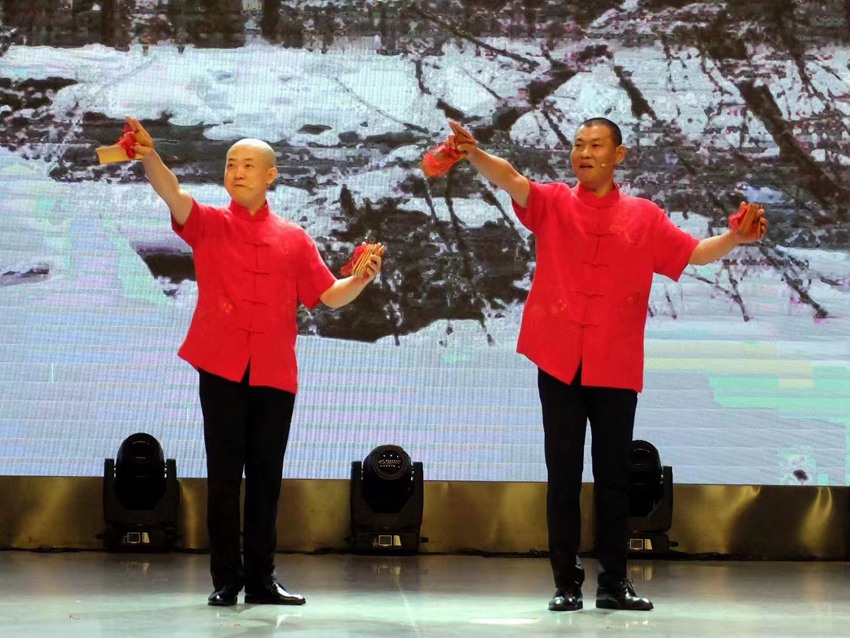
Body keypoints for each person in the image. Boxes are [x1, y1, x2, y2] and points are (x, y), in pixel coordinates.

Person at [447, 118, 767, 612]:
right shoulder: (554, 201)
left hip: (614, 363)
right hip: (559, 359)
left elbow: (696, 254)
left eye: (596, 145)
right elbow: (510, 177)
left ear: (619, 155)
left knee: (614, 477)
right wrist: (473, 153)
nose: (584, 153)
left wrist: (734, 238)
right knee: (563, 475)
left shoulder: (644, 215)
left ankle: (615, 583)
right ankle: (565, 582)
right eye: (578, 145)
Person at [124, 116, 383, 607]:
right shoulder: (208, 223)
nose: (237, 172)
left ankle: (263, 579)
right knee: (224, 476)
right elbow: (171, 192)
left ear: (271, 176)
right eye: (230, 164)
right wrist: (150, 155)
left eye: (248, 165)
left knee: (267, 478)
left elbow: (329, 295)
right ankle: (226, 578)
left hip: (273, 373)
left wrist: (362, 278)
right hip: (221, 366)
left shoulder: (294, 238)